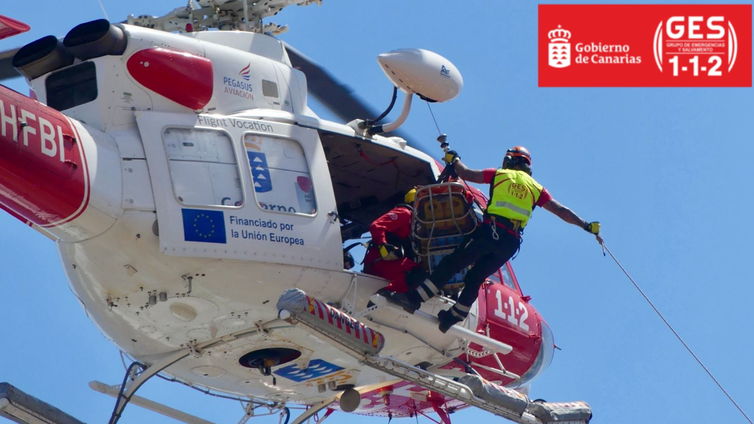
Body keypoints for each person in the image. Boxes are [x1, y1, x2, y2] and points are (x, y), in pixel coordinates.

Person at [386, 146, 602, 332]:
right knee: (475, 278)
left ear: (509, 160)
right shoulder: (537, 189)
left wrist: (454, 160)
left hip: (491, 232)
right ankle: (452, 318)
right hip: (510, 243)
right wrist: (586, 225)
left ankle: (413, 300)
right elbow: (561, 211)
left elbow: (467, 174)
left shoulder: (500, 174)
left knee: (451, 264)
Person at [363, 188, 424, 293]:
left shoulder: (415, 225)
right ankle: (386, 294)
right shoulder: (405, 213)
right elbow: (376, 226)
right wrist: (382, 245)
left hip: (388, 264)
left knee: (420, 275)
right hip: (379, 261)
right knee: (418, 273)